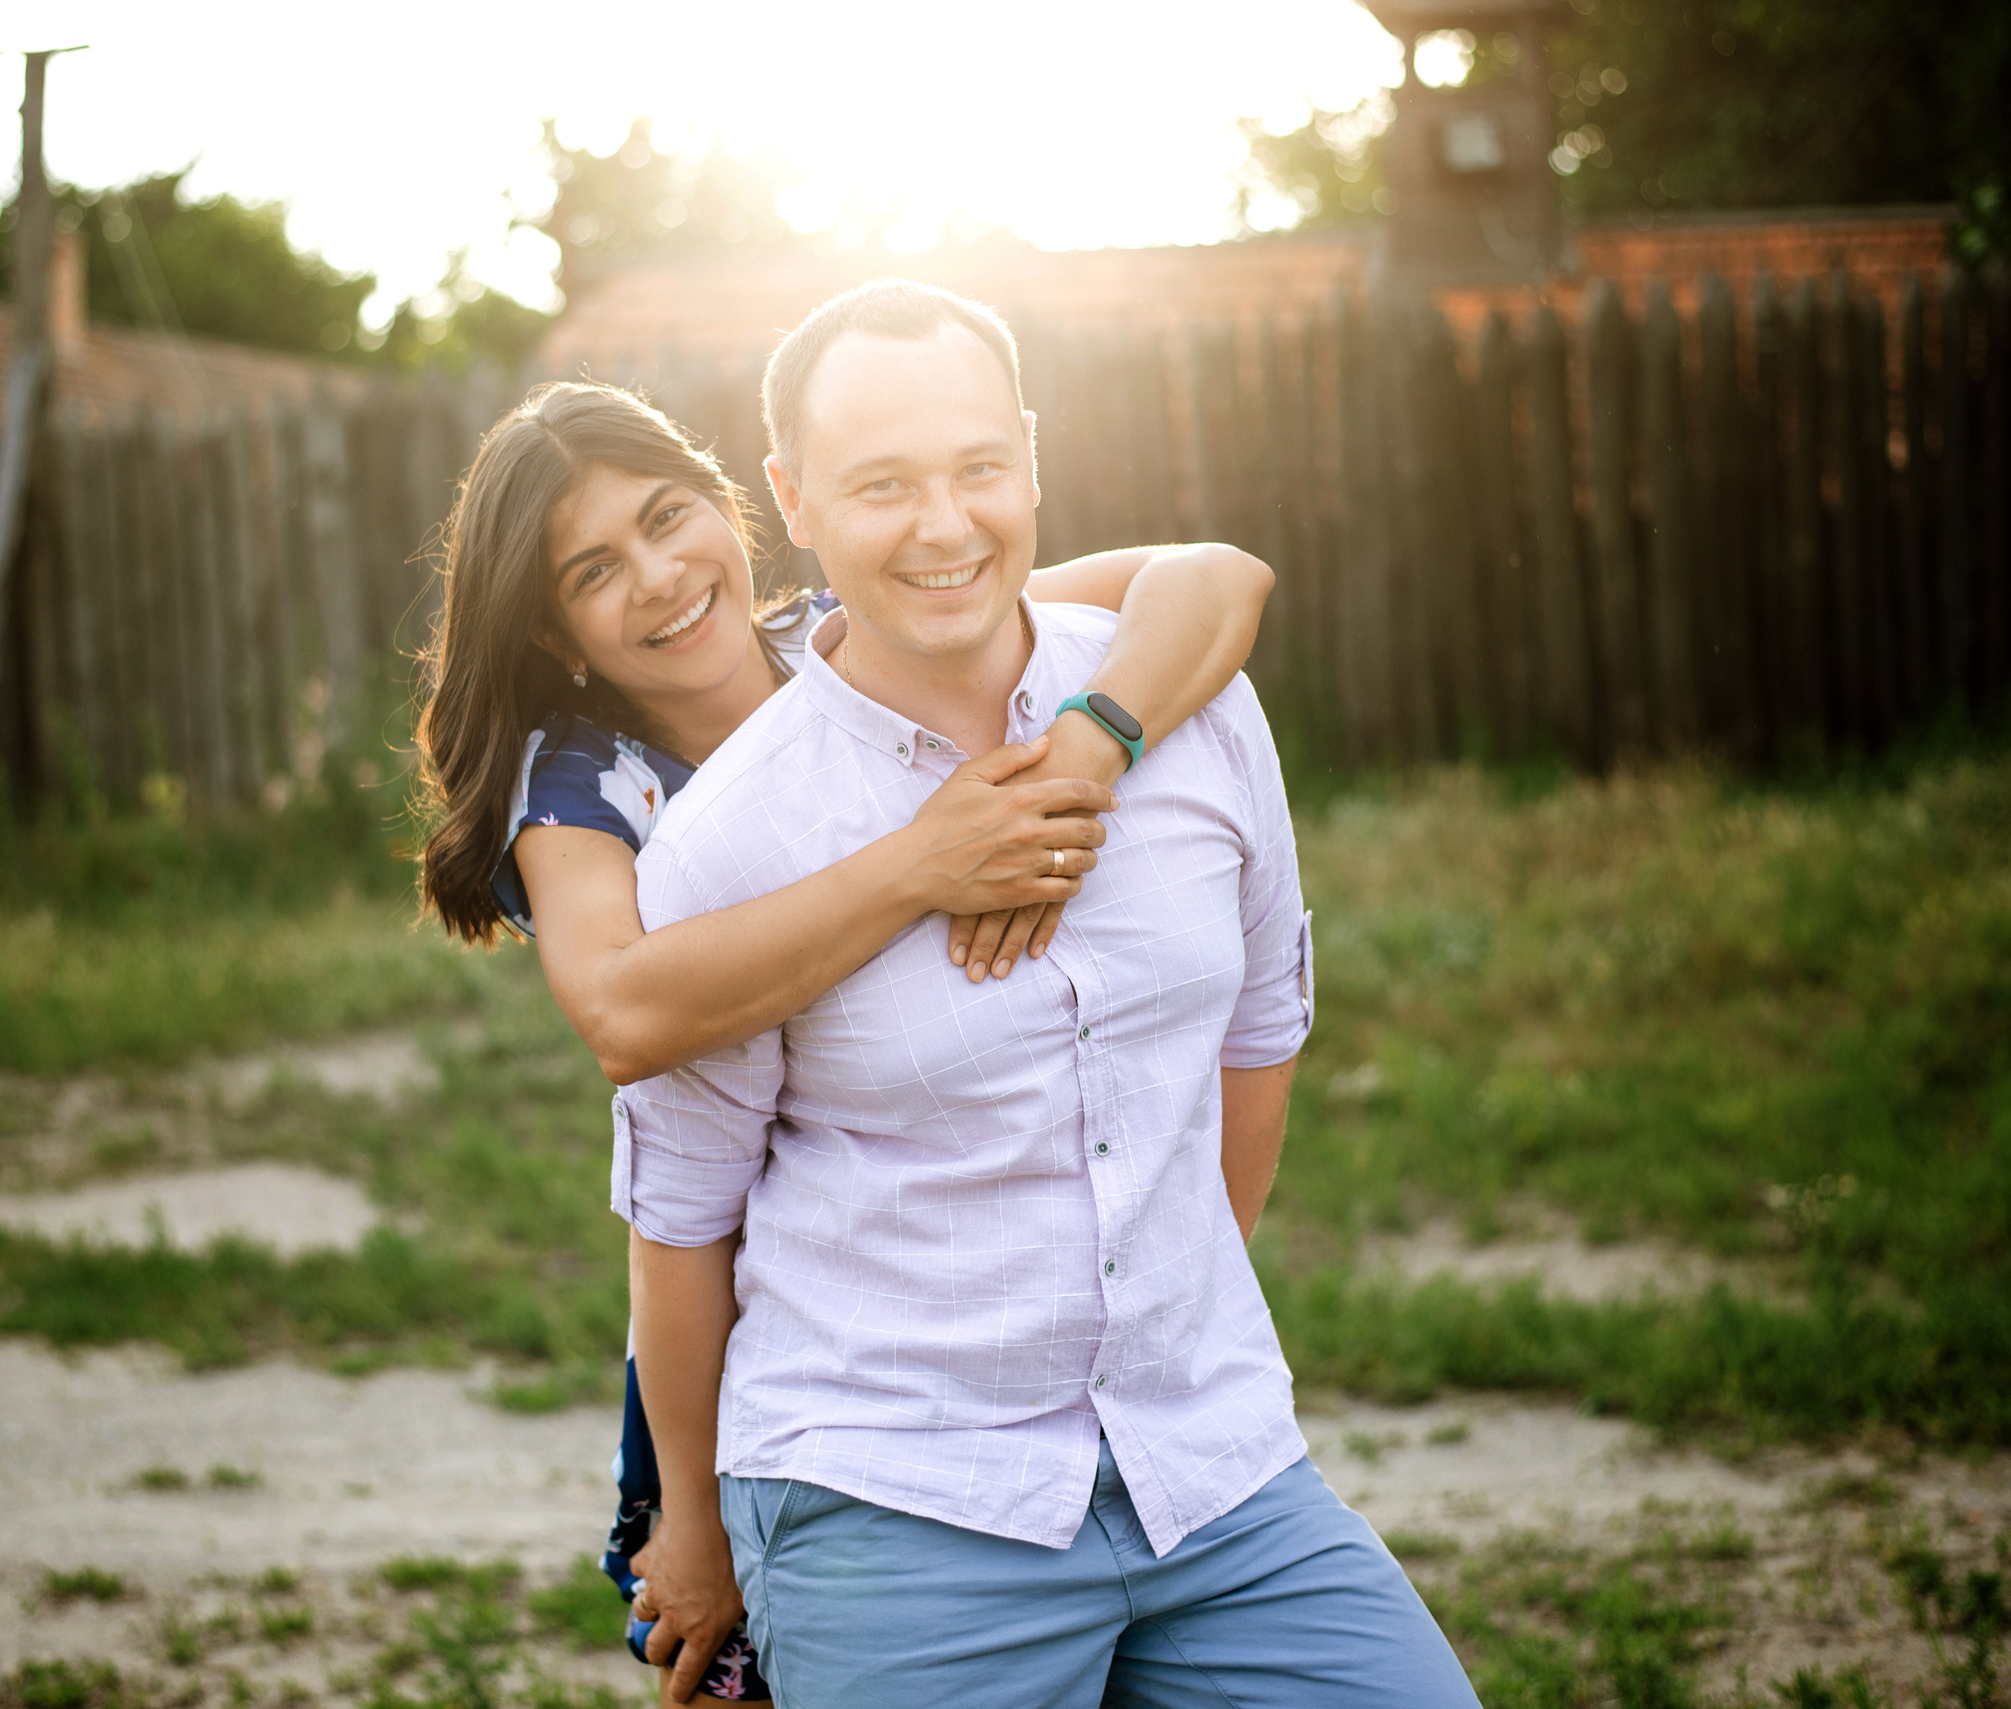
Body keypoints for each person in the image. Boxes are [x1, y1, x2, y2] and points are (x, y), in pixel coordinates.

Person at [615, 282, 1484, 1709]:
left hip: (1210, 1473)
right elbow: (682, 1219)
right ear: (794, 500)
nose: (944, 524)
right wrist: (696, 1527)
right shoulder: (733, 839)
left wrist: (1161, 1326)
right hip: (895, 1495)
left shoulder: (1194, 708)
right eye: (882, 485)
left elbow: (1256, 1040)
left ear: (1032, 456)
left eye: (977, 466)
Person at [413, 379, 1276, 1702]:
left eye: (667, 517)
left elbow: (1211, 577)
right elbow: (626, 1013)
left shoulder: (846, 629)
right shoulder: (581, 783)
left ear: (734, 502)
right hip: (744, 1302)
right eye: (596, 569)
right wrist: (923, 862)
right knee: (739, 1667)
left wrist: (1087, 750)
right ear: (554, 631)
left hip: (967, 1273)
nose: (658, 576)